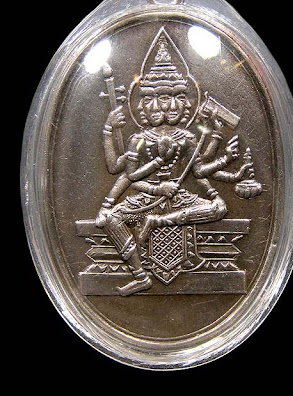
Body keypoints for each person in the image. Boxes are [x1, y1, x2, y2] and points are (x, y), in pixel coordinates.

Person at [95, 35, 251, 296]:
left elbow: (198, 170)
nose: (162, 106)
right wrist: (108, 131)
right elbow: (124, 174)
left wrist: (225, 158)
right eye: (155, 99)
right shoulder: (139, 139)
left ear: (182, 102)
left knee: (220, 208)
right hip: (147, 198)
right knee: (111, 219)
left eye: (171, 98)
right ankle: (140, 276)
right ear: (144, 104)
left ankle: (157, 222)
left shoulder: (187, 137)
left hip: (179, 199)